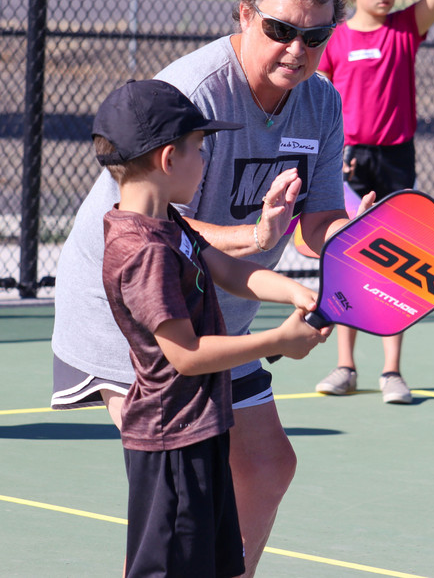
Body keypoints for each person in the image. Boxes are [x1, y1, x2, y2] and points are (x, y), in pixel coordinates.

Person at [51, 0, 374, 578]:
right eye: (281, 29)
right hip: (129, 315)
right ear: (244, 15)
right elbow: (158, 224)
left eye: (316, 36)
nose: (297, 50)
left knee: (265, 464)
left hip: (219, 308)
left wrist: (364, 245)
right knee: (171, 505)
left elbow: (315, 223)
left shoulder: (322, 102)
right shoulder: (192, 93)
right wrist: (255, 239)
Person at [93, 79, 330, 577]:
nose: (205, 161)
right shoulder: (142, 250)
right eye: (200, 148)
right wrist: (278, 342)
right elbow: (185, 353)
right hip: (170, 443)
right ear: (167, 159)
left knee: (216, 565)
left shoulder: (166, 224)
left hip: (202, 428)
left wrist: (290, 290)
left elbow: (224, 267)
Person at [315, 0, 434, 404]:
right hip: (348, 160)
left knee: (395, 259)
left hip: (397, 157)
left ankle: (392, 372)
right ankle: (346, 366)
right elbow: (323, 105)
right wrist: (333, 152)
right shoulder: (335, 40)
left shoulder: (405, 29)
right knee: (348, 256)